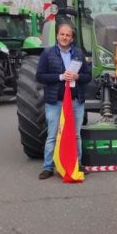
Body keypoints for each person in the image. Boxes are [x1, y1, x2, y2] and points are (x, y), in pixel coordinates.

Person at [36, 23, 91, 180]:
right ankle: (48, 167)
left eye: (68, 35)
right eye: (62, 34)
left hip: (75, 101)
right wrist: (60, 77)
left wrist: (77, 77)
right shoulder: (47, 53)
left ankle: (77, 164)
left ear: (72, 38)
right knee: (53, 135)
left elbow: (88, 77)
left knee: (76, 135)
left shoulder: (79, 54)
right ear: (57, 36)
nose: (65, 37)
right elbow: (40, 76)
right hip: (55, 101)